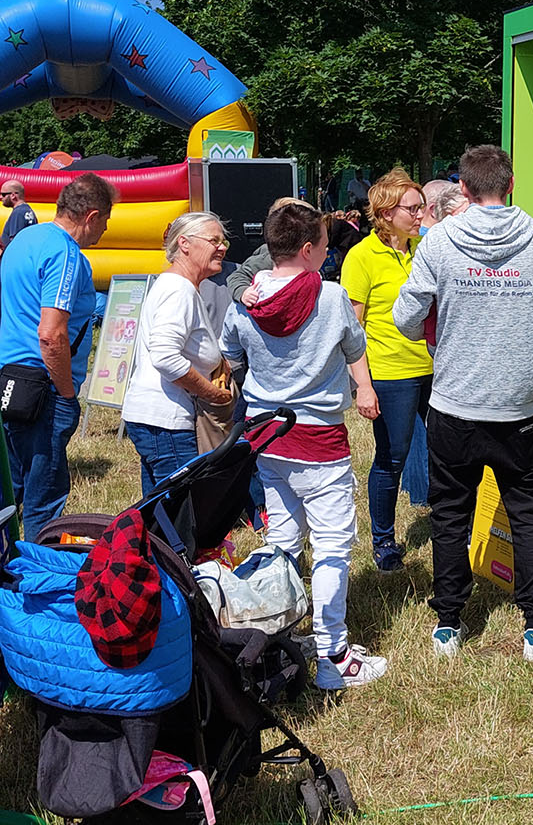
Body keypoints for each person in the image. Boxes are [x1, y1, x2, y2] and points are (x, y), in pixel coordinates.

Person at [393, 143, 533, 662]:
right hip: (518, 403)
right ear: (510, 184)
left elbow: (405, 317)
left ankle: (448, 623)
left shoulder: (440, 241)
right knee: (530, 513)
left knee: (450, 515)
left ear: (462, 188)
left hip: (455, 403)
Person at [220, 198, 386, 695]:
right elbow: (354, 345)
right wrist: (360, 386)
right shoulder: (330, 297)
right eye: (325, 246)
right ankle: (333, 655)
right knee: (332, 546)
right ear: (309, 249)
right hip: (319, 438)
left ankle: (278, 637)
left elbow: (230, 353)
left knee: (283, 538)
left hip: (268, 434)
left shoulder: (247, 298)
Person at [0, 174, 114, 540]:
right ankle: (39, 564)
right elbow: (51, 333)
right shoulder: (66, 253)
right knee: (44, 497)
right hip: (42, 388)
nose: (105, 229)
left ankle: (10, 560)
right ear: (91, 216)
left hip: (9, 378)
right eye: (106, 220)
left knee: (10, 489)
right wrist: (66, 394)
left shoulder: (23, 240)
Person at [341, 168, 433, 574]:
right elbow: (352, 329)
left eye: (421, 207)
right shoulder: (362, 257)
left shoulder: (426, 248)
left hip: (436, 368)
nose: (420, 214)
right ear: (385, 213)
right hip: (391, 373)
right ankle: (383, 542)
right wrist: (363, 385)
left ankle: (455, 526)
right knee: (392, 458)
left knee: (448, 453)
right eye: (412, 208)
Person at [121, 212, 234, 497]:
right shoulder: (178, 290)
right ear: (184, 243)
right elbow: (165, 356)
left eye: (224, 242)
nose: (221, 248)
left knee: (159, 511)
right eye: (214, 240)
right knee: (181, 509)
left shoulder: (179, 286)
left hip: (155, 419)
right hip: (166, 422)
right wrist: (212, 392)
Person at [0, 180, 38, 251]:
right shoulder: (27, 210)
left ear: (13, 195)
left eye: (3, 194)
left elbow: (15, 242)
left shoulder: (18, 213)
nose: (1, 197)